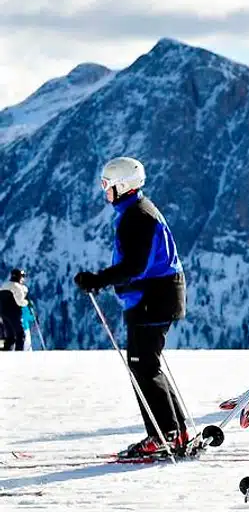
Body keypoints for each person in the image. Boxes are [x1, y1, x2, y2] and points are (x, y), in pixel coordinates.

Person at [74, 157, 188, 459]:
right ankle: (177, 432)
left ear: (122, 185)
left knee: (143, 365)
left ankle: (163, 435)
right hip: (158, 296)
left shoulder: (137, 216)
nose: (104, 190)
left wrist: (98, 279)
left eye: (106, 185)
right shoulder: (137, 210)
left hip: (151, 299)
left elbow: (135, 265)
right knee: (147, 364)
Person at [0, 268, 28, 351]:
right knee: (20, 334)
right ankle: (19, 355)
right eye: (22, 276)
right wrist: (27, 302)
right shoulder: (17, 287)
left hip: (3, 313)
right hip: (14, 314)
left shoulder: (4, 285)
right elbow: (20, 302)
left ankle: (6, 353)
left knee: (10, 336)